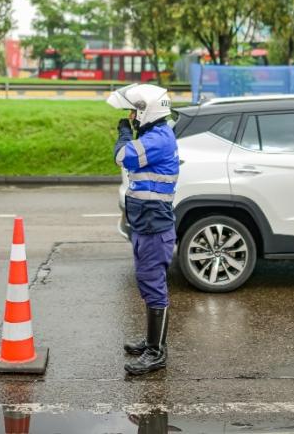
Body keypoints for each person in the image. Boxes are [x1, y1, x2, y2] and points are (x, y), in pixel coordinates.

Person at [107, 83, 179, 376]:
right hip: (145, 223)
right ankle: (152, 340)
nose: (131, 117)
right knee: (147, 282)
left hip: (153, 226)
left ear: (147, 111)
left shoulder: (159, 139)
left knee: (153, 285)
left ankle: (155, 352)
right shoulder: (154, 134)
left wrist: (124, 134)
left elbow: (123, 156)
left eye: (134, 112)